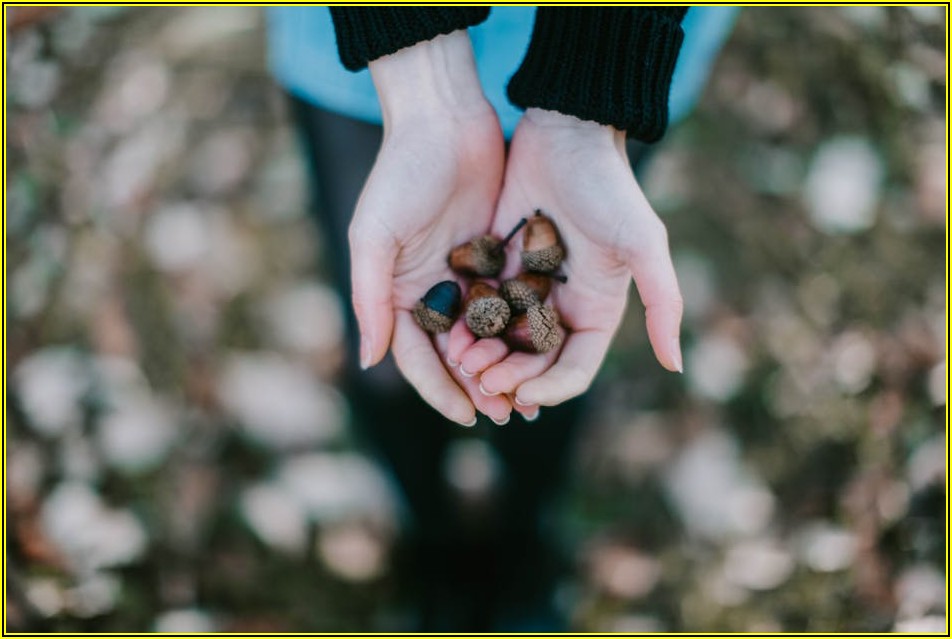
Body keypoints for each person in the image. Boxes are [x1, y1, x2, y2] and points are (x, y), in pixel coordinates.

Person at [267, 7, 737, 631]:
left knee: (547, 370)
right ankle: (431, 535)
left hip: (621, 47)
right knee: (383, 343)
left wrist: (589, 104)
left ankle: (525, 535)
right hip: (369, 45)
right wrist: (422, 77)